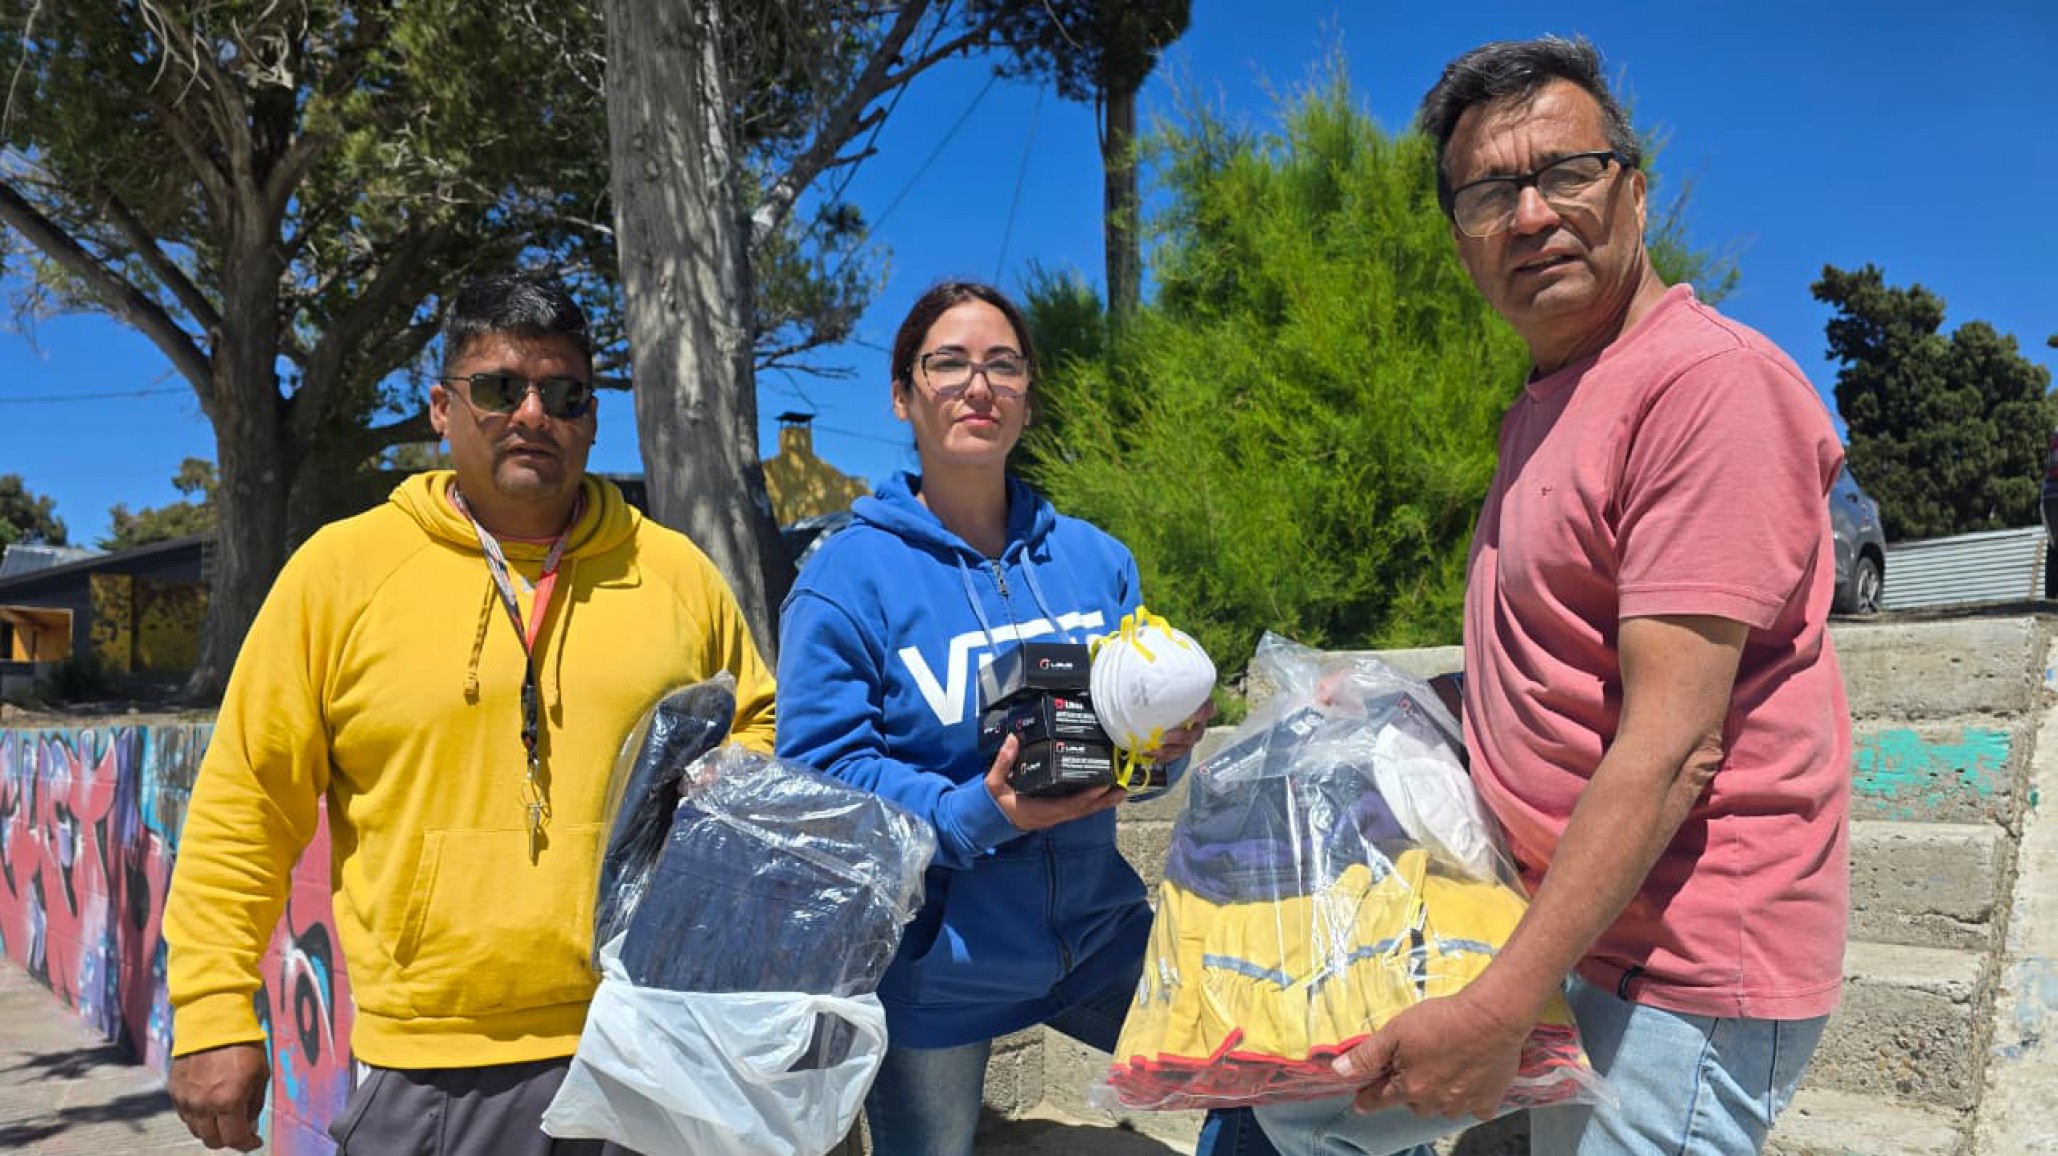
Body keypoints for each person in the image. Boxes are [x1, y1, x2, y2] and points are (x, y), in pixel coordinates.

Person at [1253, 35, 1851, 1156]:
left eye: (1564, 172)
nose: (1530, 215)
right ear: (1461, 240)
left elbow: (1674, 745)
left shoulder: (1703, 387)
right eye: (1489, 192)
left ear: (1633, 184)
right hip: (1565, 928)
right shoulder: (1550, 401)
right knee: (1291, 1105)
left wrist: (1492, 1009)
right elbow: (1557, 659)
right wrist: (1384, 695)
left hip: (1681, 967)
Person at [161, 272, 778, 1154]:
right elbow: (248, 802)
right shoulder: (341, 572)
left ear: (592, 420)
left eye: (565, 393)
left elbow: (757, 739)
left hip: (655, 1039)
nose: (533, 414)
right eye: (498, 388)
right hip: (434, 1071)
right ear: (441, 409)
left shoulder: (677, 573)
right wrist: (214, 1006)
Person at [774, 281, 1279, 1156]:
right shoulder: (844, 578)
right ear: (902, 395)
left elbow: (1137, 747)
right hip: (938, 976)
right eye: (950, 364)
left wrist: (1161, 753)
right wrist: (983, 813)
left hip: (1100, 938)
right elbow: (822, 774)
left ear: (1028, 397)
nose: (980, 386)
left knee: (1275, 1085)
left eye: (1004, 366)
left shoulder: (1095, 561)